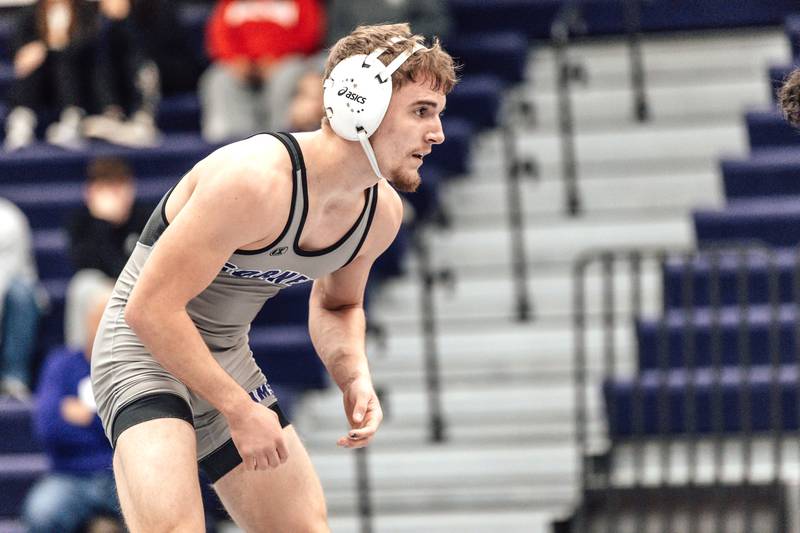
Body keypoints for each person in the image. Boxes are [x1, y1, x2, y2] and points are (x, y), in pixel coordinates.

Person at [90, 22, 456, 531]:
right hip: (142, 350)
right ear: (360, 105)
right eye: (421, 112)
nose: (437, 133)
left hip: (223, 355)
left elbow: (338, 306)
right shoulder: (255, 180)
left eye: (437, 115)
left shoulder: (379, 216)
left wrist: (353, 375)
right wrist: (238, 410)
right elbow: (148, 309)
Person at [22, 283, 124, 533]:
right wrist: (103, 420)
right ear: (88, 321)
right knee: (42, 510)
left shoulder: (129, 370)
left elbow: (133, 431)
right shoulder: (62, 364)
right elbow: (48, 427)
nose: (106, 327)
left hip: (122, 476)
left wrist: (86, 417)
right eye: (102, 317)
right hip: (70, 476)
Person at [198, 0, 325, 141]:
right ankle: (231, 142)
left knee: (289, 73)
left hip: (285, 63)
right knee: (219, 77)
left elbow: (309, 35)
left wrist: (277, 57)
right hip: (241, 66)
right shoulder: (230, 3)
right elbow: (218, 36)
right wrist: (235, 59)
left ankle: (283, 140)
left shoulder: (302, 3)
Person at [3, 0, 98, 151]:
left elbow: (89, 46)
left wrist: (54, 48)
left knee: (62, 61)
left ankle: (71, 119)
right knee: (34, 59)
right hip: (40, 79)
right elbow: (19, 49)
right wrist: (40, 50)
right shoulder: (31, 13)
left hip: (75, 77)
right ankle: (22, 120)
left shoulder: (85, 12)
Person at [0, 198, 41, 400]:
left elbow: (5, 275)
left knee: (21, 294)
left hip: (13, 297)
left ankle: (14, 379)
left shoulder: (8, 218)